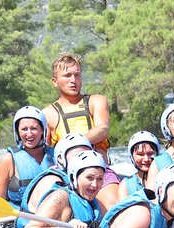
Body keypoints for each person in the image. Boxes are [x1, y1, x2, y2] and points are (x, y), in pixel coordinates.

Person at [42, 52, 120, 210]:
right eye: (67, 75)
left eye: (77, 75)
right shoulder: (47, 114)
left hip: (99, 174)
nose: (73, 80)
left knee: (113, 205)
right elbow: (44, 153)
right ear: (54, 81)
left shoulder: (96, 101)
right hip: (66, 176)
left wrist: (74, 142)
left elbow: (102, 129)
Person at [0, 106, 54, 228]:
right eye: (24, 129)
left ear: (42, 130)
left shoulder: (57, 157)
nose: (29, 134)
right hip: (17, 227)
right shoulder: (8, 160)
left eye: (34, 128)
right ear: (17, 132)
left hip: (51, 224)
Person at [117, 130, 161, 200]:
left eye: (150, 153)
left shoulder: (167, 178)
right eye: (140, 154)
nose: (146, 159)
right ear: (132, 157)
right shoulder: (125, 185)